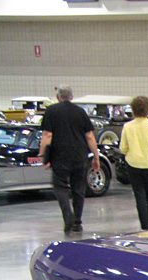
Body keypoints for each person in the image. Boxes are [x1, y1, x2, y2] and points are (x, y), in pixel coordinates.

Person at [39, 85, 100, 234]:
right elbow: (90, 136)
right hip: (79, 156)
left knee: (60, 187)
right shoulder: (80, 112)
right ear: (72, 97)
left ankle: (68, 216)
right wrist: (96, 156)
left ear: (57, 97)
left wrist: (42, 154)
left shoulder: (51, 111)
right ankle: (77, 222)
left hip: (59, 156)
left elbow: (47, 135)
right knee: (78, 189)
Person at [120, 95, 148, 230]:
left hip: (133, 164)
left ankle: (144, 225)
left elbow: (123, 148)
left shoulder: (127, 127)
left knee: (139, 194)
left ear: (133, 110)